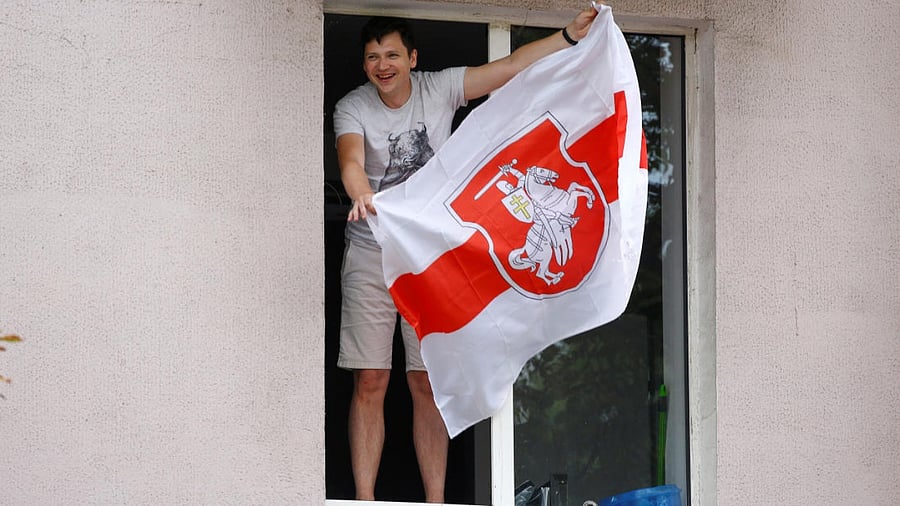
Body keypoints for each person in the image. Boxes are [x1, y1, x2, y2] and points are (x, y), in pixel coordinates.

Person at [332, 8, 599, 503]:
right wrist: (361, 194)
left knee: (425, 380)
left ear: (412, 58)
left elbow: (512, 65)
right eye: (372, 57)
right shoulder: (353, 105)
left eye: (392, 54)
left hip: (431, 258)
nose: (382, 64)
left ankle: (436, 499)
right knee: (370, 379)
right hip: (372, 251)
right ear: (365, 65)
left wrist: (567, 37)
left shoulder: (440, 88)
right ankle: (364, 500)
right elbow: (350, 159)